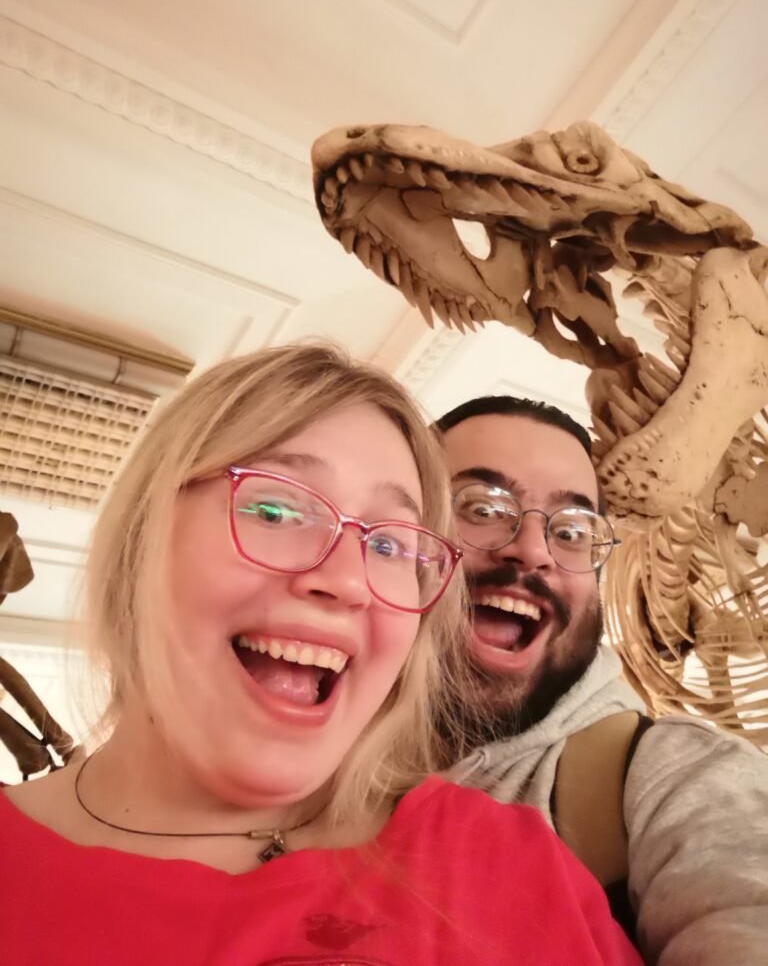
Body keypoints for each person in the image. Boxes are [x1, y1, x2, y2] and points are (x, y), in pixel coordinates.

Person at [0, 344, 641, 965]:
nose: (349, 580)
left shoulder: (515, 871)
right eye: (276, 510)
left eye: (389, 545)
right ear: (141, 535)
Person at [435, 394, 768, 966]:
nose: (532, 550)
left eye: (571, 531)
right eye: (482, 508)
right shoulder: (301, 759)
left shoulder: (676, 776)